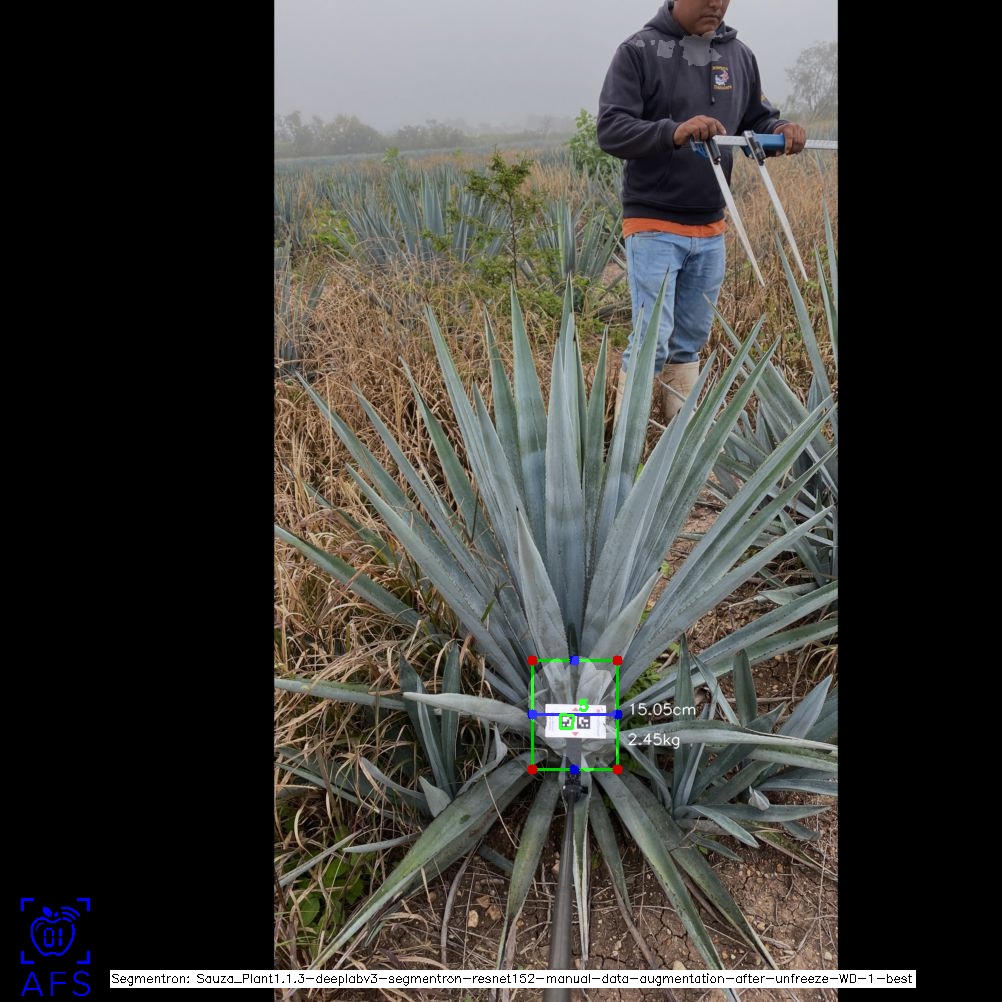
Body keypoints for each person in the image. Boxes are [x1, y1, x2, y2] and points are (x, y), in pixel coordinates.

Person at [597, 0, 806, 423]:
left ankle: (679, 442)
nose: (716, 3)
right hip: (654, 223)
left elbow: (758, 119)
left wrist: (780, 130)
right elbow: (612, 129)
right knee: (652, 341)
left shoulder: (738, 55)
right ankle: (625, 448)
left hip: (710, 225)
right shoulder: (639, 50)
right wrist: (673, 131)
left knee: (689, 340)